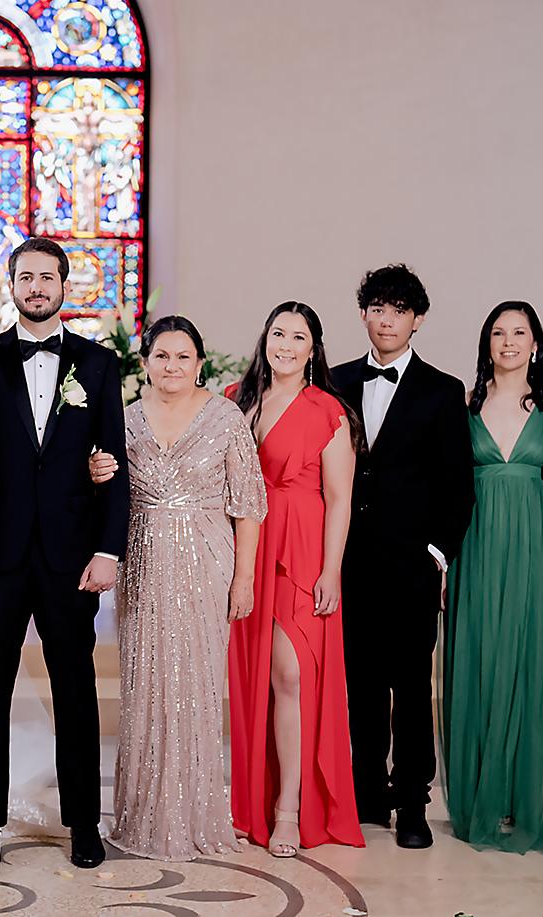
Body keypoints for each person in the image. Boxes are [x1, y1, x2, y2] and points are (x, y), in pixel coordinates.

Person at [0, 237, 129, 869]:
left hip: (72, 555)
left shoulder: (99, 366)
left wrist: (109, 549)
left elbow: (114, 463)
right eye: (26, 277)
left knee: (75, 689)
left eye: (48, 277)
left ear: (64, 286)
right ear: (11, 285)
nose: (37, 287)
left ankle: (83, 823)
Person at [87, 316, 265, 861]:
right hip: (142, 560)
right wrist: (95, 470)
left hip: (208, 561)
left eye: (183, 356)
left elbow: (250, 504)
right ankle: (143, 817)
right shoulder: (124, 419)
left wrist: (245, 579)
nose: (172, 366)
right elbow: (105, 489)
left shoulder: (226, 417)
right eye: (161, 356)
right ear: (144, 363)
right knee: (145, 683)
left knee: (197, 682)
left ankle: (196, 813)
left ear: (200, 363)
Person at [330, 265, 474, 849]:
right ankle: (367, 795)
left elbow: (457, 486)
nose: (386, 319)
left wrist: (436, 556)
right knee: (359, 685)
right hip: (349, 565)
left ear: (416, 319)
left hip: (412, 567)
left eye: (398, 310)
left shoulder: (442, 391)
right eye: (377, 308)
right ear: (364, 314)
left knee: (411, 688)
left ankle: (412, 800)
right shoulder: (335, 382)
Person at [225, 302, 365, 857]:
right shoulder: (239, 401)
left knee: (289, 674)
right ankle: (247, 805)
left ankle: (289, 809)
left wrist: (331, 569)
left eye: (297, 336)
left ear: (313, 349)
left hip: (301, 550)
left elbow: (340, 499)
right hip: (246, 549)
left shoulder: (327, 411)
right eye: (277, 333)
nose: (284, 343)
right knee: (248, 677)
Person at [439, 301, 543, 855]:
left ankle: (524, 797)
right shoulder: (464, 405)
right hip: (476, 545)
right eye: (498, 332)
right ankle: (480, 797)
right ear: (486, 344)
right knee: (479, 658)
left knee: (526, 660)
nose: (509, 341)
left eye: (519, 331)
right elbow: (445, 482)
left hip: (532, 549)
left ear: (536, 343)